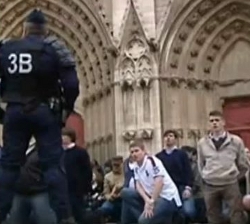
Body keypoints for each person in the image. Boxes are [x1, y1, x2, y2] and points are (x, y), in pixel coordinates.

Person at [0, 9, 79, 224]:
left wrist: (3, 113)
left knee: (8, 167)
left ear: (24, 29)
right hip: (44, 112)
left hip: (15, 111)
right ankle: (65, 217)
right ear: (45, 31)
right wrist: (66, 109)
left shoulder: (6, 49)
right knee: (53, 166)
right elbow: (72, 84)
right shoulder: (54, 48)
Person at [197, 110, 249, 224]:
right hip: (210, 184)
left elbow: (243, 164)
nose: (214, 123)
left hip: (230, 183)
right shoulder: (202, 143)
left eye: (217, 120)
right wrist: (206, 176)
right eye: (211, 121)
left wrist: (234, 176)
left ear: (223, 122)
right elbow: (200, 164)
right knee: (212, 215)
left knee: (236, 214)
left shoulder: (236, 141)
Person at [121, 139, 181, 224]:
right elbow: (138, 184)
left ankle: (147, 218)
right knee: (125, 193)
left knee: (143, 221)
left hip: (166, 197)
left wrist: (151, 201)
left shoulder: (152, 161)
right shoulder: (135, 166)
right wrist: (146, 200)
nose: (134, 154)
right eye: (132, 152)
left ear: (144, 151)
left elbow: (159, 182)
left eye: (137, 151)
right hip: (150, 196)